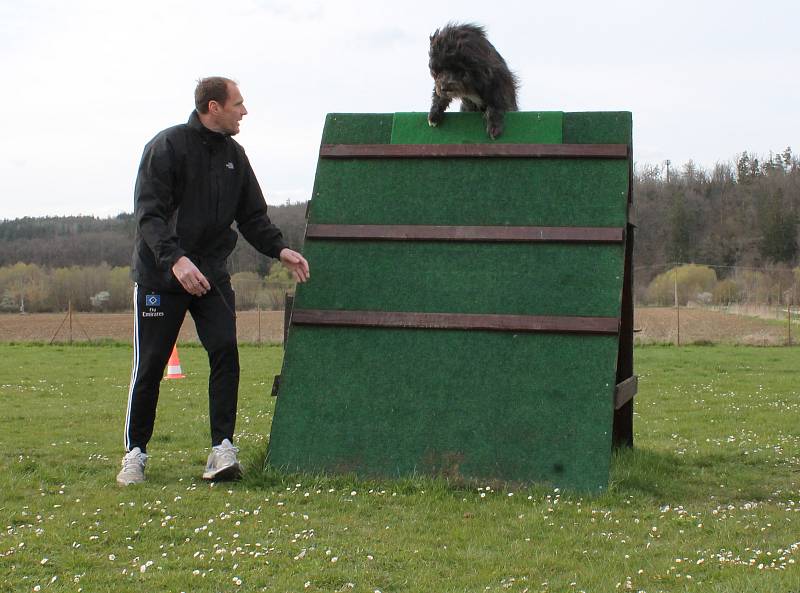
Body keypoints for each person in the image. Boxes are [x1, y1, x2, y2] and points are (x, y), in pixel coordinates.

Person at [116, 76, 309, 486]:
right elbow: (149, 215)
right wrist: (176, 261)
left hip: (212, 276)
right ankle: (135, 454)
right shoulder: (166, 147)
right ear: (213, 107)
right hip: (161, 277)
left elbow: (253, 216)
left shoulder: (235, 157)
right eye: (238, 104)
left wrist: (279, 250)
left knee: (225, 352)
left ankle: (222, 449)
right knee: (149, 365)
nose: (245, 111)